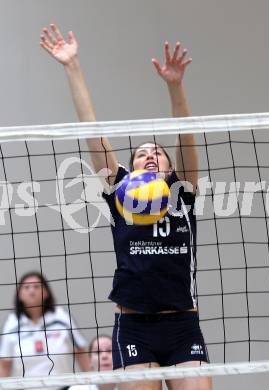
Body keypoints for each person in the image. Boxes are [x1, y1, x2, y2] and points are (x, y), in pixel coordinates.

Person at [40, 24, 212, 390]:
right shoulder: (119, 192)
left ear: (168, 166)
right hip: (135, 328)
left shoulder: (183, 189)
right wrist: (72, 66)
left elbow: (186, 138)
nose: (150, 155)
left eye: (157, 152)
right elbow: (92, 130)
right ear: (131, 168)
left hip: (182, 325)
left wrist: (175, 86)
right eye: (141, 154)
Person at [0, 271, 90, 389]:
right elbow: (5, 364)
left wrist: (93, 383)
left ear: (46, 292)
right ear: (19, 294)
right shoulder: (12, 323)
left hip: (62, 387)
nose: (32, 291)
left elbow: (81, 353)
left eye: (37, 286)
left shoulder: (61, 317)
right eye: (26, 287)